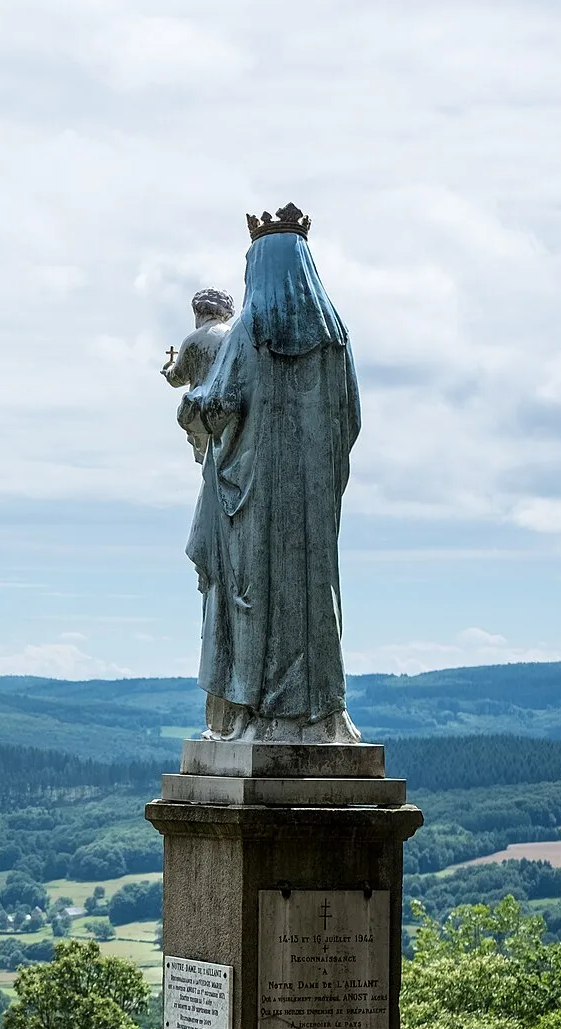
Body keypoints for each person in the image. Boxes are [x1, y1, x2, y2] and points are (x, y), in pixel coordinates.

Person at [177, 205, 361, 743]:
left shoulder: (250, 330)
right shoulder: (334, 338)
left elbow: (217, 404)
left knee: (250, 596)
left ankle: (251, 716)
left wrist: (189, 404)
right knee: (316, 599)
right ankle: (322, 714)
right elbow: (349, 420)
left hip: (254, 507)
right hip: (311, 510)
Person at [162, 288, 234, 464]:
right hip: (233, 411)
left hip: (202, 414)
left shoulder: (193, 340)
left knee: (210, 464)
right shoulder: (234, 335)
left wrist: (168, 368)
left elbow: (177, 377)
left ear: (198, 310)